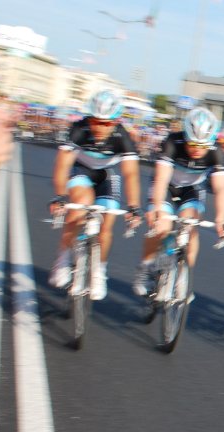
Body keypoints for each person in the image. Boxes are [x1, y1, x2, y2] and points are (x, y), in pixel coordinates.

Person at [49, 90, 142, 300]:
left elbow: (131, 174)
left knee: (106, 227)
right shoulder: (78, 129)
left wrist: (134, 206)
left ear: (115, 122)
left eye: (106, 123)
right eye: (95, 121)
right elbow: (62, 165)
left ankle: (99, 271)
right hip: (80, 170)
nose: (100, 127)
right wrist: (60, 195)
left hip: (106, 176)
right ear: (88, 118)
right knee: (80, 206)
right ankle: (63, 259)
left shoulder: (122, 136)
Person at [132, 107, 224, 295]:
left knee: (190, 228)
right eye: (193, 144)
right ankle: (145, 268)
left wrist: (221, 219)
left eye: (203, 146)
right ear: (185, 136)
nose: (197, 149)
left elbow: (220, 189)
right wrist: (157, 208)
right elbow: (161, 179)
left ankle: (183, 278)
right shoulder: (172, 142)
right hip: (166, 185)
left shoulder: (217, 152)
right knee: (161, 226)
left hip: (192, 189)